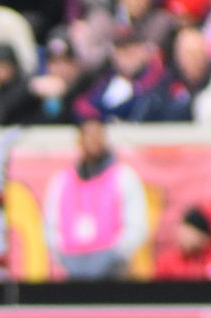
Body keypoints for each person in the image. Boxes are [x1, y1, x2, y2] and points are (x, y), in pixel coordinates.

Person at [44, 113, 153, 279]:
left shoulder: (123, 176)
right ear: (80, 140)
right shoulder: (62, 180)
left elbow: (137, 225)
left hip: (114, 272)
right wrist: (65, 256)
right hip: (72, 270)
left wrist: (115, 255)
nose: (94, 140)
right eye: (89, 134)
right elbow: (51, 226)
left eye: (98, 134)